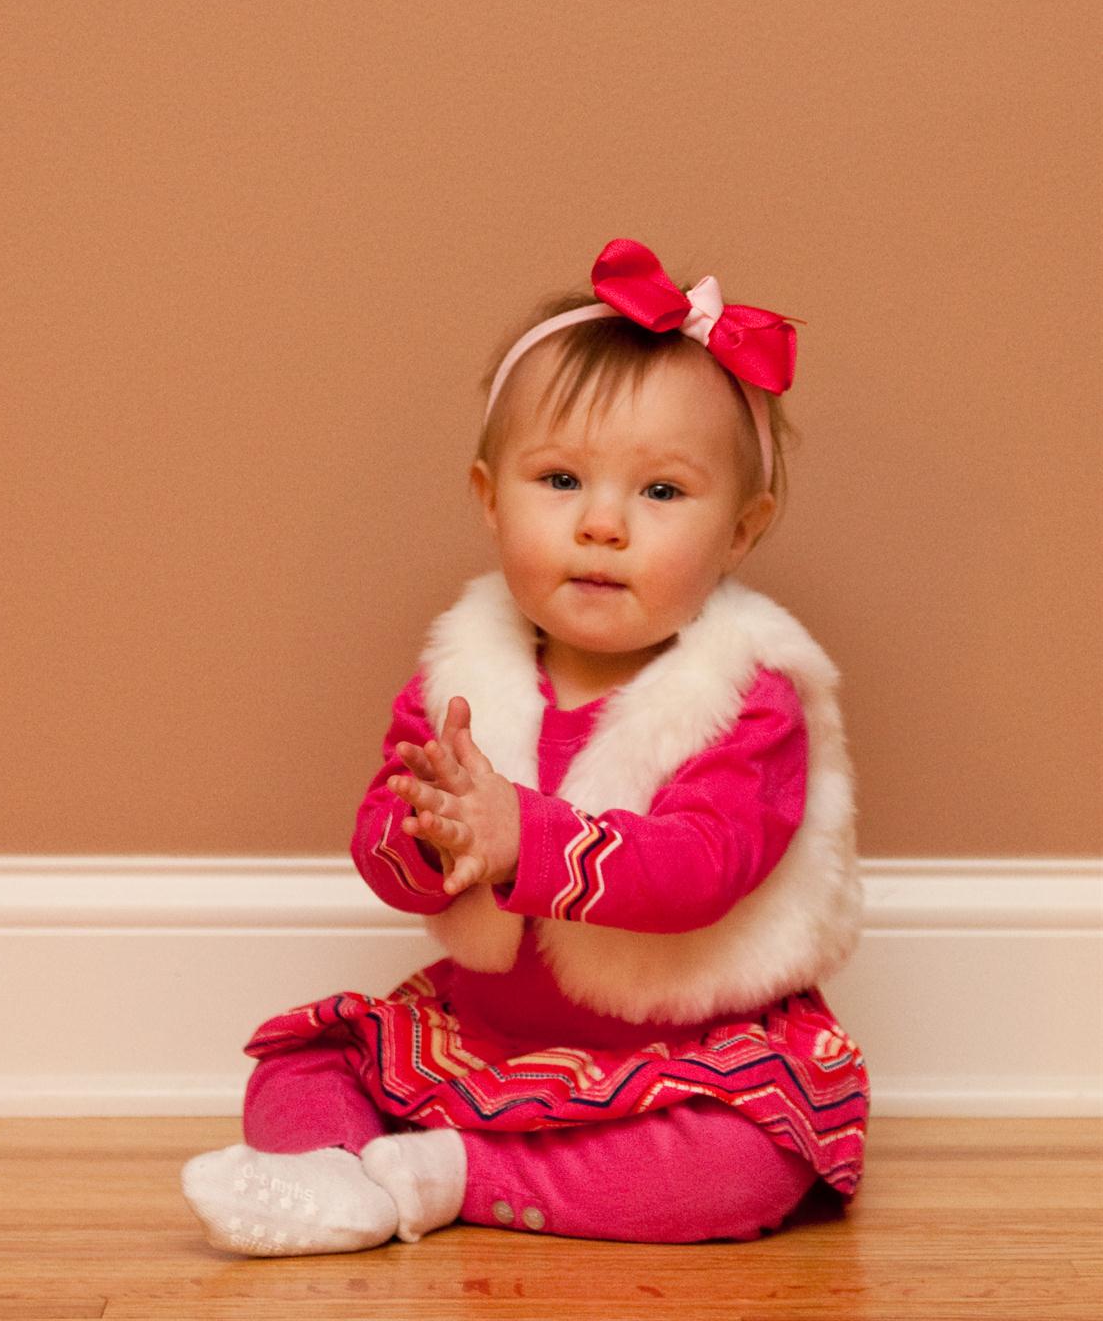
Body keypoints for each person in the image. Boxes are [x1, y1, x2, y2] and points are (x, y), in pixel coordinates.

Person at [181, 236, 870, 1256]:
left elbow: (701, 866)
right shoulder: (460, 679)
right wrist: (432, 834)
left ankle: (460, 1173)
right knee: (302, 1065)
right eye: (559, 479)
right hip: (490, 1033)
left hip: (684, 1053)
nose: (602, 524)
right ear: (489, 495)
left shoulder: (747, 698)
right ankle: (336, 1180)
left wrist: (525, 838)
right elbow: (386, 848)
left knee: (741, 1168)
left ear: (740, 530)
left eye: (662, 492)